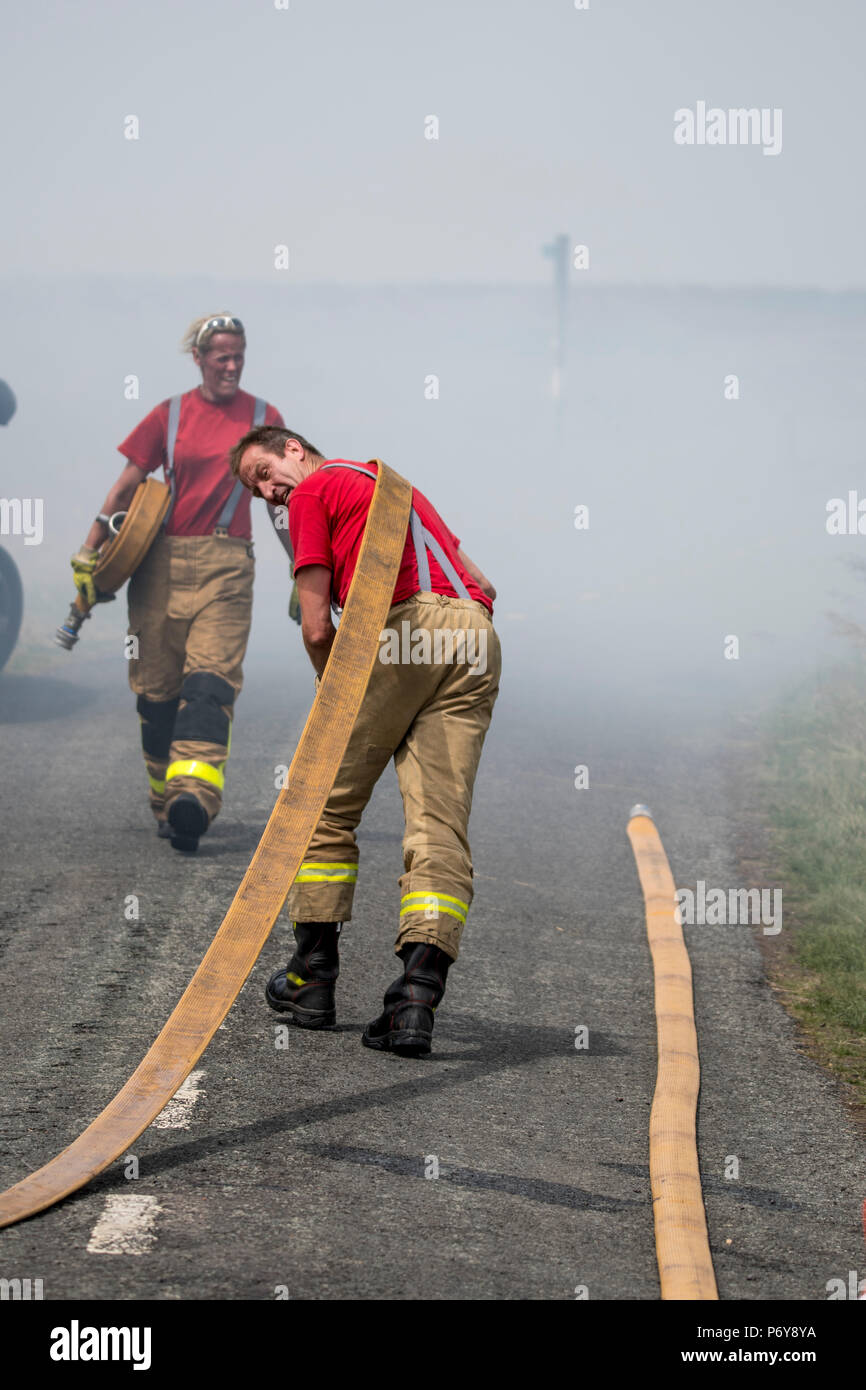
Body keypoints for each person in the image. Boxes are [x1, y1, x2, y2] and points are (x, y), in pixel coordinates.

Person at [230, 426, 501, 1057]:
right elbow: (483, 581)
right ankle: (415, 999)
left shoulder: (313, 491)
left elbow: (318, 623)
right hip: (475, 636)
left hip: (403, 628)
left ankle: (311, 979)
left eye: (265, 472)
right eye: (256, 490)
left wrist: (338, 694)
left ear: (294, 447)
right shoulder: (393, 486)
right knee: (439, 823)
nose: (270, 492)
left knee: (319, 804)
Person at [70, 314, 294, 851]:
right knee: (156, 695)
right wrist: (88, 551)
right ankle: (164, 800)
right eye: (221, 357)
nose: (232, 366)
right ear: (198, 358)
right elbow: (126, 487)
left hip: (228, 564)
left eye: (239, 356)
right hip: (159, 566)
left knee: (209, 684)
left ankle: (193, 796)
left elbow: (283, 503)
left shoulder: (265, 419)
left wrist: (303, 564)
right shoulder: (168, 417)